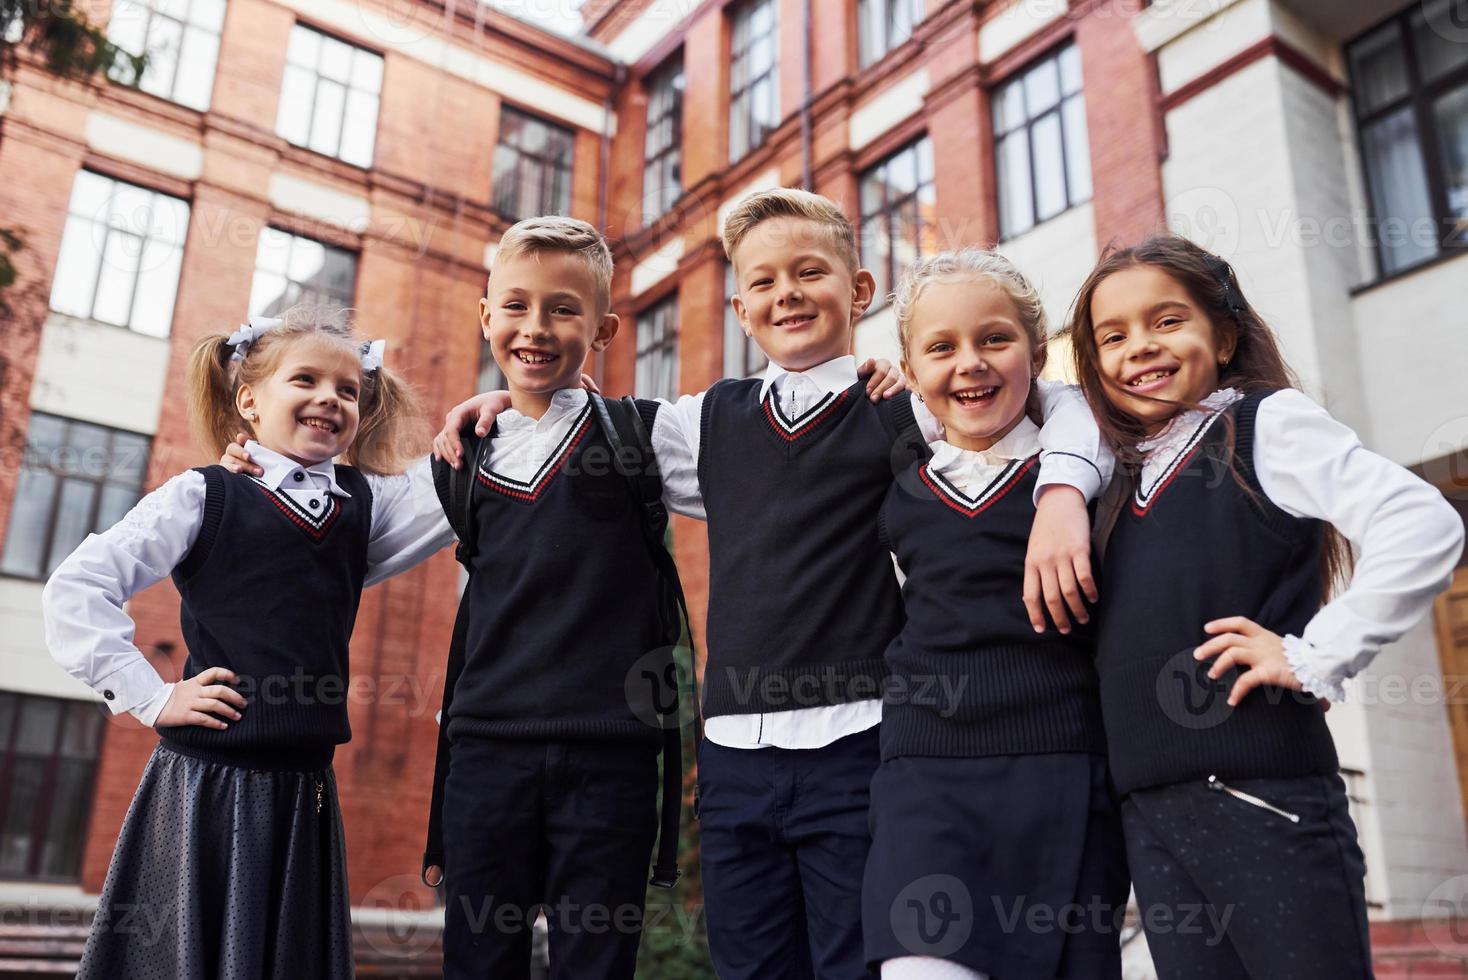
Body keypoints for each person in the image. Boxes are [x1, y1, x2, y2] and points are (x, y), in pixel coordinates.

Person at [438, 188, 1111, 979]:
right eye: (762, 282)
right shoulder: (703, 422)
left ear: (859, 291)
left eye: (808, 272)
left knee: (853, 964)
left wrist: (1063, 491)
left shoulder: (905, 410)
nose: (785, 292)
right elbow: (578, 420)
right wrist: (506, 401)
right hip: (734, 762)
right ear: (740, 310)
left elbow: (1062, 401)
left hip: (860, 747)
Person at [1069, 234, 1464, 977]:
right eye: (1111, 338)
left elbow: (1426, 522)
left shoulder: (1263, 423)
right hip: (1149, 813)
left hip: (1264, 801)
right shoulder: (1113, 475)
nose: (1139, 349)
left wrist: (1315, 653)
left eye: (1166, 321)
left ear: (1223, 335)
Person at [43, 306, 446, 979]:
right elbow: (76, 587)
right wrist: (151, 695)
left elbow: (451, 482)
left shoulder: (361, 506)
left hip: (303, 796)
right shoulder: (205, 495)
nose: (329, 398)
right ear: (249, 401)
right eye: (307, 380)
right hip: (205, 791)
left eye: (348, 390)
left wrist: (505, 408)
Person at [862, 249, 1128, 980]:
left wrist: (1065, 489)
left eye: (995, 340)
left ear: (1037, 355)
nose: (970, 363)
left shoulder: (1092, 472)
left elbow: (1085, 414)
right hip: (924, 775)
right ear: (912, 376)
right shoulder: (895, 488)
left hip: (1064, 770)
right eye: (941, 348)